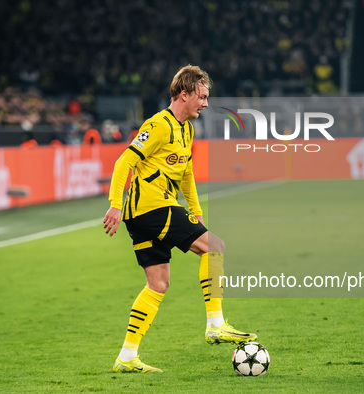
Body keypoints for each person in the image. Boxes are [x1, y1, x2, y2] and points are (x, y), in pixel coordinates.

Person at [103, 65, 256, 374]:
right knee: (215, 246)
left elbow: (186, 174)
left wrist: (196, 211)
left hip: (150, 212)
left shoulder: (187, 129)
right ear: (184, 95)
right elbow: (124, 162)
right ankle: (215, 323)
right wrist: (115, 205)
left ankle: (127, 356)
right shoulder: (158, 125)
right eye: (202, 96)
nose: (206, 103)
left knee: (157, 284)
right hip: (151, 207)